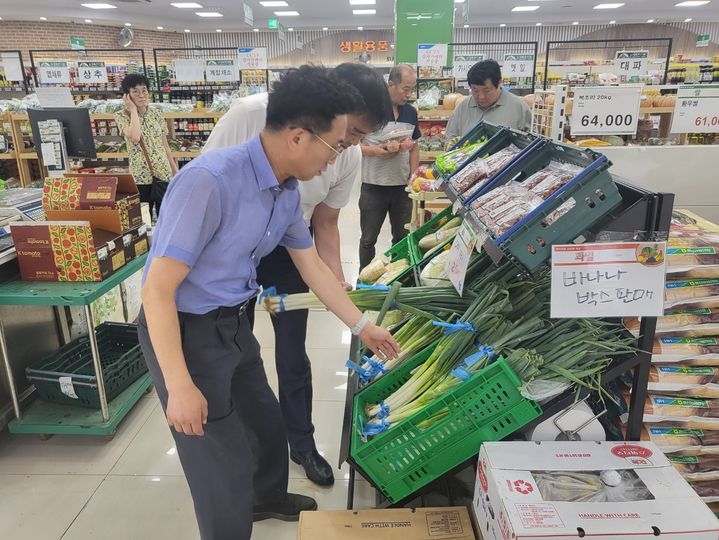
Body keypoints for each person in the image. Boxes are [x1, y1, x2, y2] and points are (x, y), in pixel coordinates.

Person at [138, 65, 400, 540]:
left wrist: (362, 325)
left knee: (264, 421)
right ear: (299, 137)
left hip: (235, 322)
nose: (339, 159)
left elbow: (312, 265)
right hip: (187, 329)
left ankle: (268, 497)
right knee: (221, 463)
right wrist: (178, 385)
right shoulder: (209, 181)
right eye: (337, 146)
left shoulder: (285, 190)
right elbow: (156, 290)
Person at [202, 63, 393, 487]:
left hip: (290, 245)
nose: (350, 147)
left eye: (359, 138)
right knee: (232, 352)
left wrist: (339, 285)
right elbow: (204, 187)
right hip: (227, 253)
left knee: (292, 352)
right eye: (350, 134)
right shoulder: (251, 115)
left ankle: (301, 444)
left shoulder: (331, 167)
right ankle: (240, 453)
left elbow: (323, 225)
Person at [358, 64, 421, 271]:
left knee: (401, 239)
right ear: (391, 84)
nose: (409, 94)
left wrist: (413, 178)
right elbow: (354, 145)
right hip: (373, 186)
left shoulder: (411, 112)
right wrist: (377, 150)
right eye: (405, 89)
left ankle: (396, 278)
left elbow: (415, 147)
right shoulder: (370, 111)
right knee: (368, 239)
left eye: (412, 89)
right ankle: (364, 280)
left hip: (401, 188)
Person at [115, 73, 178, 219]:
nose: (141, 95)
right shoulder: (121, 116)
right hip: (140, 177)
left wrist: (175, 171)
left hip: (163, 172)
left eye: (144, 90)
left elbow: (165, 146)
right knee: (144, 218)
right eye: (135, 91)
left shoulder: (156, 113)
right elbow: (135, 136)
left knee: (167, 216)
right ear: (127, 95)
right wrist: (133, 110)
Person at [445, 59, 532, 144]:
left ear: (499, 84)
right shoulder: (462, 108)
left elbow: (532, 144)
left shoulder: (519, 108)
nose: (481, 97)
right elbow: (450, 137)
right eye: (475, 90)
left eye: (486, 90)